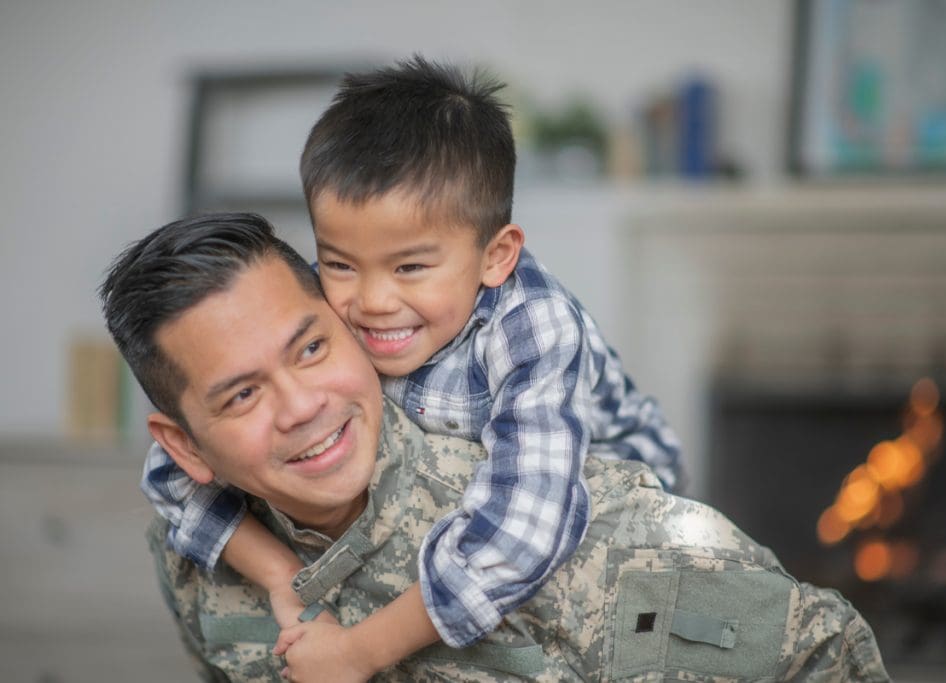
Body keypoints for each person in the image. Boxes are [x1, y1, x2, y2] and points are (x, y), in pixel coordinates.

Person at [101, 213, 889, 682]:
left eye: (311, 349)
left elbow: (827, 655)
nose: (302, 405)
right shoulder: (192, 565)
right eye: (242, 394)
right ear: (185, 446)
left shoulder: (575, 527)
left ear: (352, 322)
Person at [139, 55, 684, 658]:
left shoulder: (534, 326)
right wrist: (279, 574)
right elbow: (174, 469)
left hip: (615, 494)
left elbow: (524, 527)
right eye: (341, 263)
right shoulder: (324, 303)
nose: (371, 302)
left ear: (495, 256)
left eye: (411, 268)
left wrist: (362, 651)